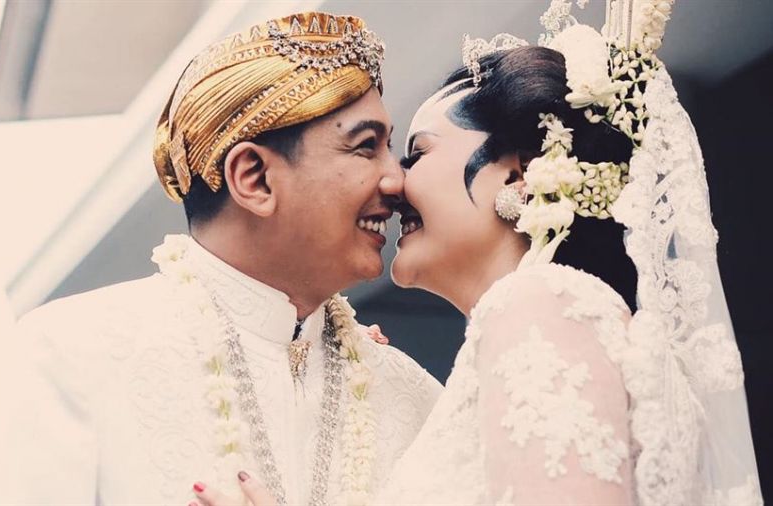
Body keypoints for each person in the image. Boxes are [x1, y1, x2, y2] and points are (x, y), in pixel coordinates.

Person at [194, 2, 763, 505]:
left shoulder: (540, 305)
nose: (394, 183)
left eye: (416, 154)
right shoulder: (539, 321)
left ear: (518, 173)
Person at [0, 12, 442, 506]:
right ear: (254, 178)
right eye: (366, 148)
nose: (396, 180)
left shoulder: (412, 396)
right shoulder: (72, 353)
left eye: (389, 148)